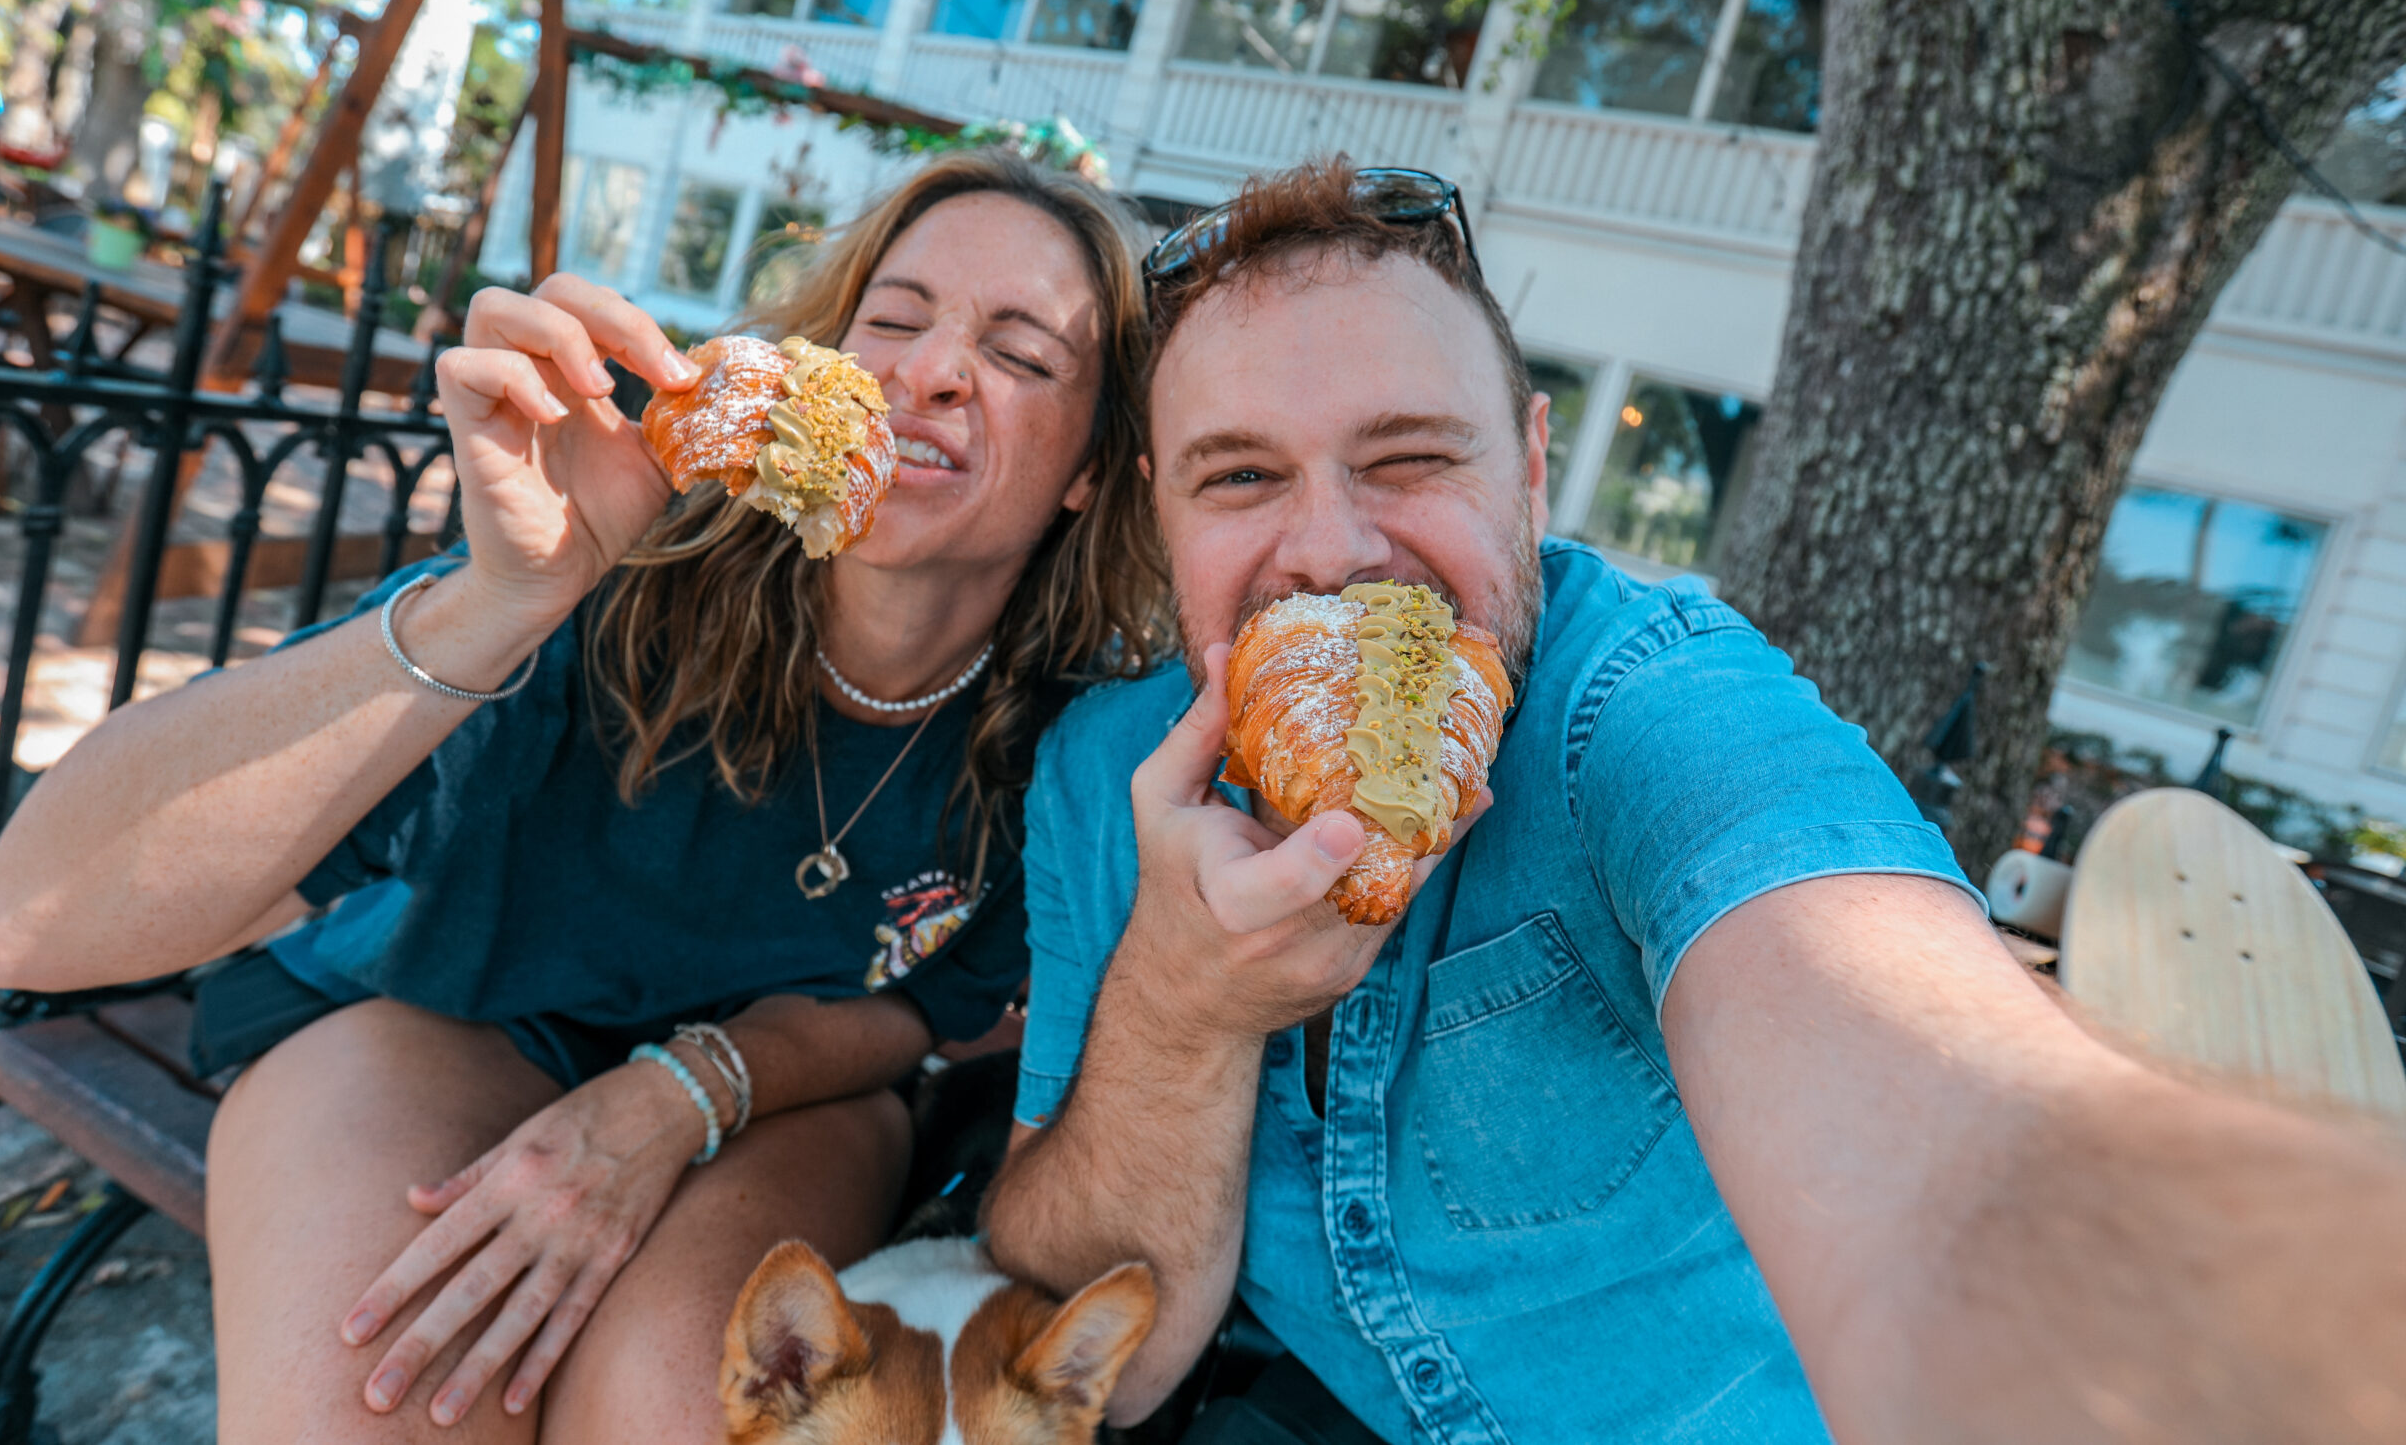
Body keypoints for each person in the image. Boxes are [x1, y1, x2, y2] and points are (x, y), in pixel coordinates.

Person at [981, 159, 2406, 1444]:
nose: (1335, 549)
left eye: (1411, 457)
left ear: (1533, 472)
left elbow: (1930, 1101)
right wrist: (1182, 1005)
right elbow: (1096, 1341)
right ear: (1158, 512)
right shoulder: (1103, 776)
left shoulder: (1646, 706)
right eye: (1240, 477)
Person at [0, 150, 1170, 1443]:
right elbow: (28, 927)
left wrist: (678, 1092)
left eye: (1022, 354)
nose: (928, 368)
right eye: (895, 315)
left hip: (780, 1091)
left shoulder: (1068, 742)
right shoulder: (610, 585)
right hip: (437, 1019)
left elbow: (927, 1005)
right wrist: (503, 599)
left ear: (1093, 466)